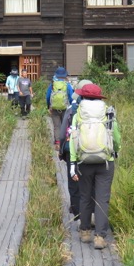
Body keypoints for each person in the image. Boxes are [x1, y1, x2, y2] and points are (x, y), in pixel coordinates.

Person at [69, 83, 120, 250]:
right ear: (99, 97)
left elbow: (73, 139)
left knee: (85, 196)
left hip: (83, 161)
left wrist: (73, 162)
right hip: (105, 161)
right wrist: (115, 151)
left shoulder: (78, 115)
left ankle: (84, 232)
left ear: (83, 96)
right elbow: (116, 137)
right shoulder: (108, 112)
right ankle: (100, 237)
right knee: (102, 199)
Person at [56, 79, 93, 221]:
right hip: (91, 149)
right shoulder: (100, 109)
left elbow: (62, 131)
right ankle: (92, 213)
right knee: (91, 182)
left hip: (72, 149)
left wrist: (60, 147)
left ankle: (78, 213)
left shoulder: (71, 109)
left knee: (74, 182)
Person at [46, 66, 74, 144]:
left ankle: (57, 142)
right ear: (65, 75)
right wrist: (72, 107)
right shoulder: (67, 85)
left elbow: (48, 96)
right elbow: (71, 97)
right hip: (65, 108)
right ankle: (64, 141)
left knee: (56, 126)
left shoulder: (52, 85)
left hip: (54, 108)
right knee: (64, 125)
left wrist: (49, 106)